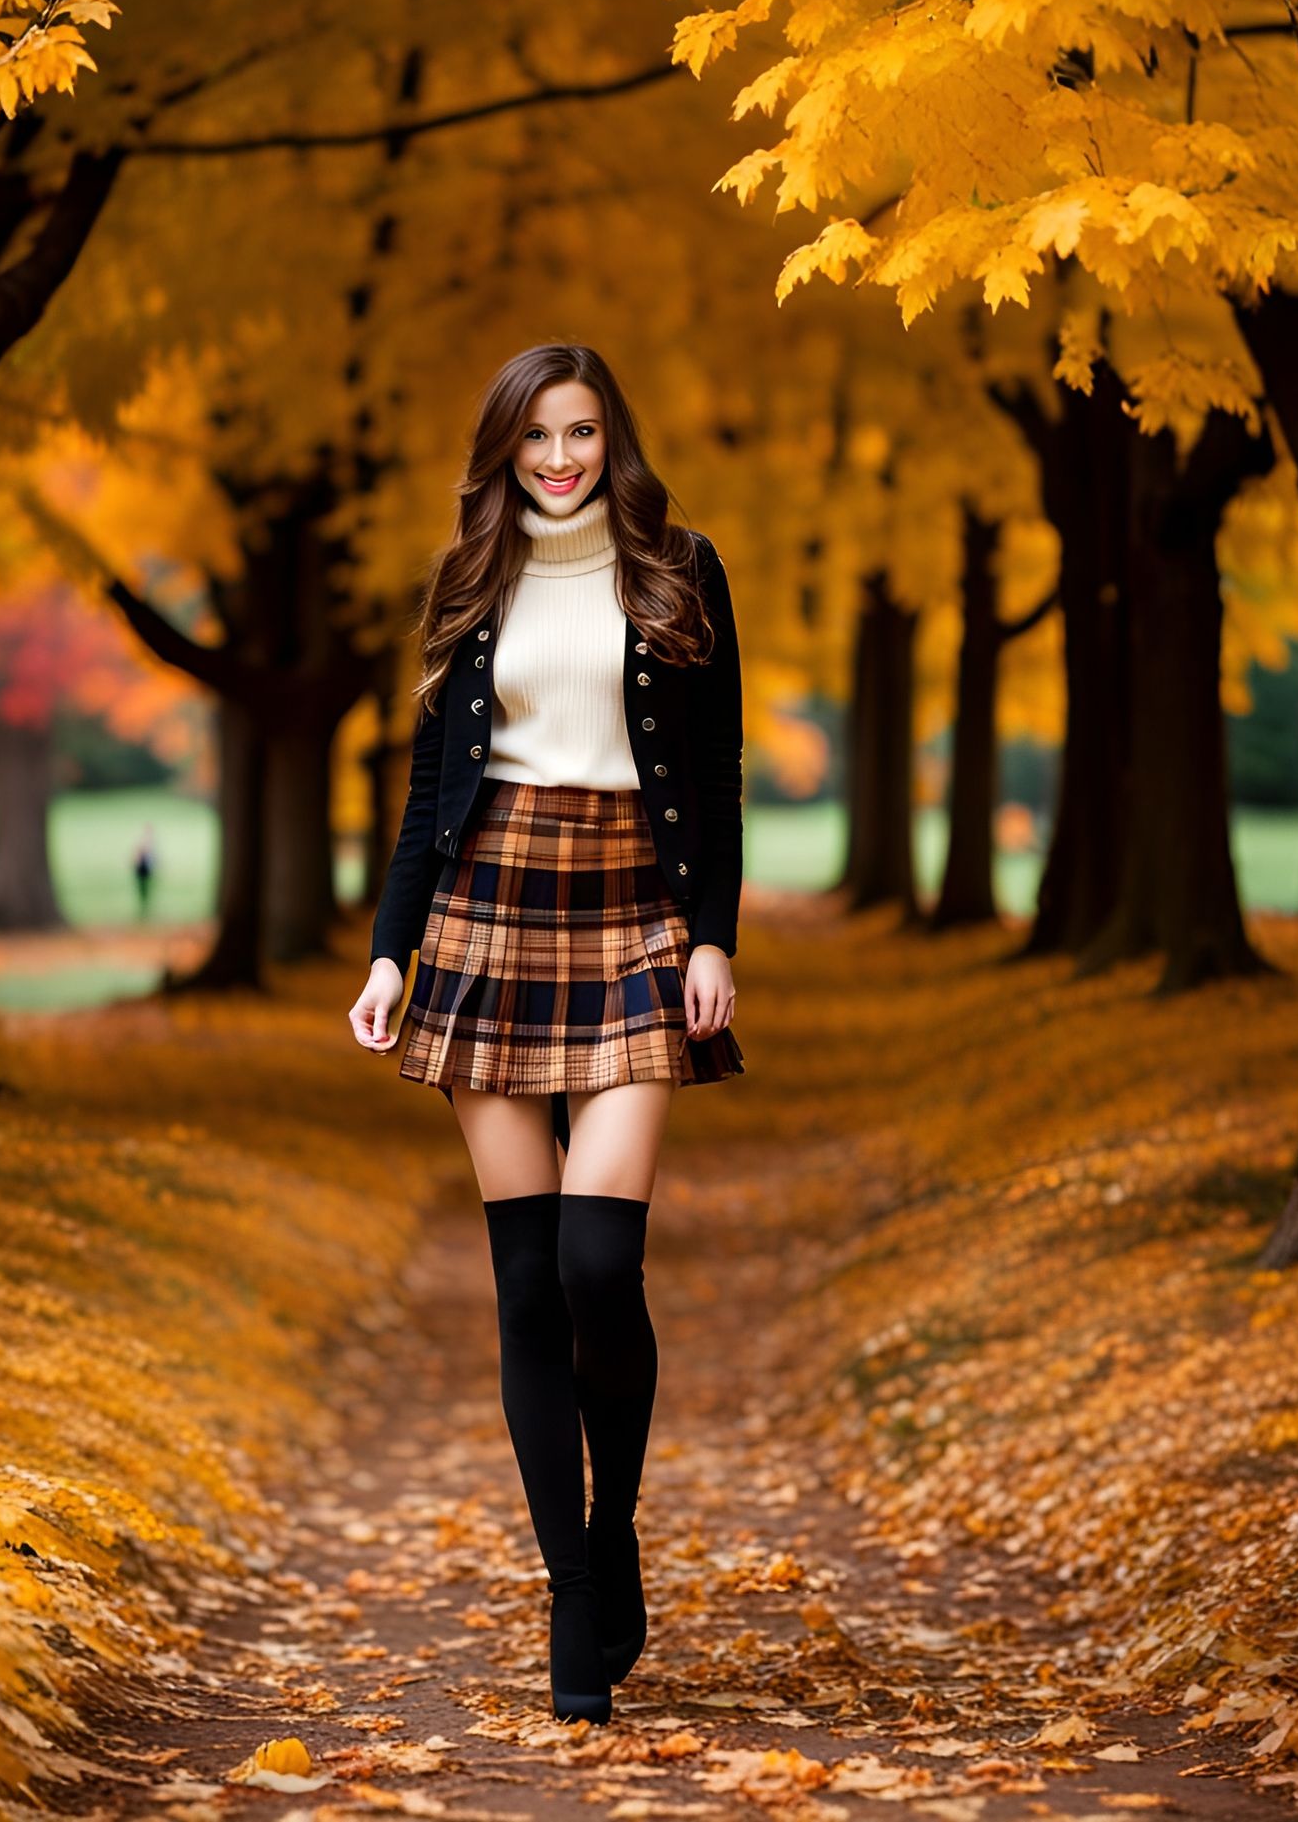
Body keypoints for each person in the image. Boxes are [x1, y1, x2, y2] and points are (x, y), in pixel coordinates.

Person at [349, 342, 745, 1726]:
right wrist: (392, 954)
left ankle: (617, 1516)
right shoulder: (471, 579)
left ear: (610, 438)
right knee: (523, 1287)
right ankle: (573, 1584)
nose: (560, 459)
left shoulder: (679, 567)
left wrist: (713, 936)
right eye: (536, 438)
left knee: (596, 1260)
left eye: (580, 433)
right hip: (489, 912)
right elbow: (422, 797)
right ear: (506, 450)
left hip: (635, 910)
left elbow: (718, 771)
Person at [132, 825, 157, 919]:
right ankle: (144, 909)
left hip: (145, 870)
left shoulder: (149, 843)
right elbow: (137, 858)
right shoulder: (143, 842)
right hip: (142, 870)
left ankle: (145, 908)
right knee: (143, 890)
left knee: (146, 890)